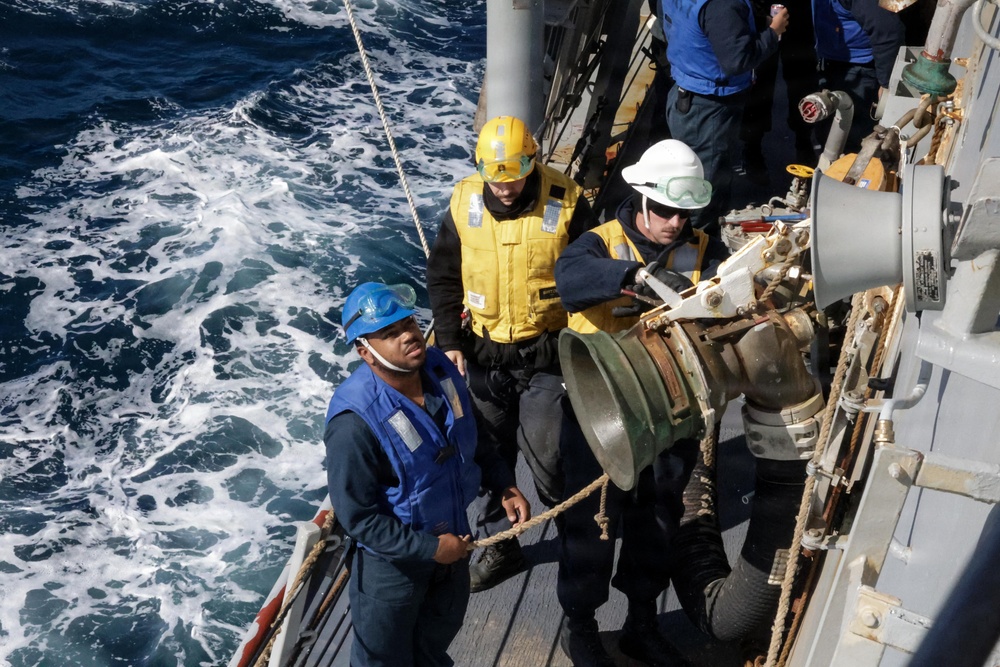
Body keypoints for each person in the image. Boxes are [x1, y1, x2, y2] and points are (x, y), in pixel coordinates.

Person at [552, 140, 727, 667]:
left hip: (671, 412)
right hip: (598, 414)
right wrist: (635, 277)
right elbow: (569, 280)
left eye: (685, 212)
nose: (675, 222)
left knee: (659, 519)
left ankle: (641, 622)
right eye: (666, 210)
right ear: (641, 199)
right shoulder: (599, 244)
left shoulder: (703, 249)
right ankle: (579, 624)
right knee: (592, 523)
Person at [426, 115, 599, 592]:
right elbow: (442, 276)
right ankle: (501, 548)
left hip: (546, 357)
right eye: (494, 176)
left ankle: (574, 540)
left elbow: (590, 278)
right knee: (485, 455)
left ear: (534, 160)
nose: (504, 188)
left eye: (516, 173)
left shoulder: (568, 204)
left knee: (550, 455)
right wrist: (449, 344)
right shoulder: (463, 204)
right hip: (484, 356)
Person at [325, 281, 531, 667]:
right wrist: (432, 549)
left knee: (432, 650)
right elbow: (358, 517)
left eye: (408, 325)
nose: (408, 336)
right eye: (389, 333)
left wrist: (503, 484)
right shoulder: (354, 424)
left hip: (454, 546)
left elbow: (476, 436)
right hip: (394, 570)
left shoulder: (441, 370)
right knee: (383, 661)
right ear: (364, 351)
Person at [661, 0, 789, 236]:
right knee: (704, 190)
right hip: (710, 110)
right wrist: (773, 33)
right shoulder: (724, 5)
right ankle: (697, 246)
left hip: (686, 94)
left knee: (690, 177)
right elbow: (737, 61)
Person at [812, 0, 905, 151]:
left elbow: (887, 31)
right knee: (827, 134)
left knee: (854, 142)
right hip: (830, 63)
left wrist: (886, 83)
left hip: (861, 71)